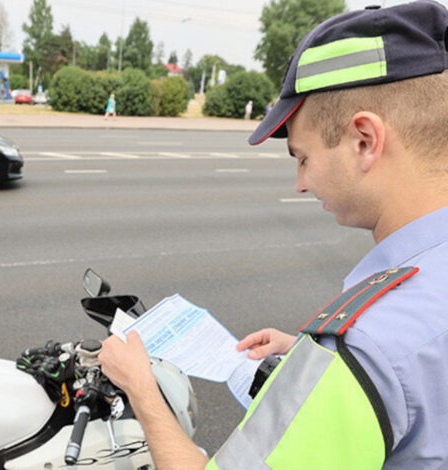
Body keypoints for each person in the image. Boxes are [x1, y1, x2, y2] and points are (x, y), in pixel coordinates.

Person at [99, 2, 448, 469]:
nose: (300, 184)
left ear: (364, 140)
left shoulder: (368, 349)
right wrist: (307, 359)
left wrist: (141, 387)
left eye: (302, 157)